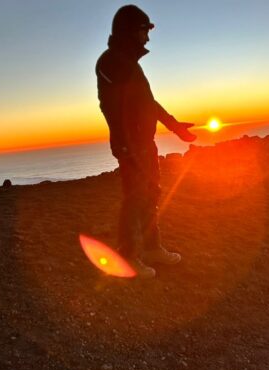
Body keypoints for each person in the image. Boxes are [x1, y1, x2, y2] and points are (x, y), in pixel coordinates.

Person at [96, 4, 196, 278]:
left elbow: (148, 104)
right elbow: (111, 107)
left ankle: (152, 248)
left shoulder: (128, 64)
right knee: (135, 198)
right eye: (144, 30)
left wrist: (175, 127)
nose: (147, 38)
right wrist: (126, 144)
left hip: (144, 143)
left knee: (151, 196)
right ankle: (127, 257)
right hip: (131, 146)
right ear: (130, 31)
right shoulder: (111, 62)